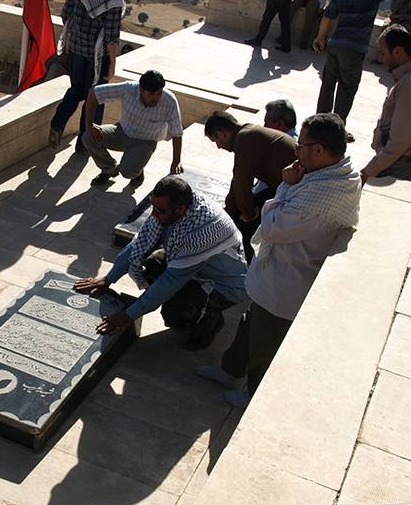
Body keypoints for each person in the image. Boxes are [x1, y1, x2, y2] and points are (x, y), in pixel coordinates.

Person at [196, 113, 361, 407]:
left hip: (287, 280)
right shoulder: (333, 175)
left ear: (319, 150)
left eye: (301, 146)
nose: (296, 152)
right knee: (249, 324)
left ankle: (252, 394)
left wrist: (285, 186)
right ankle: (230, 371)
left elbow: (270, 227)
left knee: (263, 340)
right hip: (275, 273)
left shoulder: (320, 197)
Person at [74, 175, 247, 351]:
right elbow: (139, 244)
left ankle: (208, 325)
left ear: (180, 210)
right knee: (151, 264)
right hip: (194, 267)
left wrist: (130, 314)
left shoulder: (203, 231)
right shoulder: (171, 207)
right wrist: (108, 279)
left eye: (159, 210)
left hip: (224, 285)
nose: (154, 214)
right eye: (153, 206)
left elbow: (171, 280)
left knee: (176, 311)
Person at [49, 0, 128, 151]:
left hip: (76, 48)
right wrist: (112, 62)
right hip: (98, 55)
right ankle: (85, 143)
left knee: (76, 90)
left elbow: (66, 13)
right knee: (97, 96)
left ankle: (57, 125)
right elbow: (111, 34)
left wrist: (69, 40)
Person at [314, 0, 404, 123]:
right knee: (346, 89)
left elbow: (328, 17)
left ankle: (319, 123)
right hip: (354, 48)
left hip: (335, 44)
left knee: (328, 84)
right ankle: (336, 126)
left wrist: (320, 37)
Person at [204, 110, 297, 261]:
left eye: (215, 141)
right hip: (283, 188)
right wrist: (228, 213)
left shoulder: (246, 138)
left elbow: (242, 182)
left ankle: (248, 269)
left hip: (296, 192)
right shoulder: (246, 134)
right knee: (235, 214)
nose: (219, 147)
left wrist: (248, 214)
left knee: (248, 227)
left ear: (221, 134)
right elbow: (237, 181)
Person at [361, 25, 411, 184]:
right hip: (400, 163)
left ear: (398, 51)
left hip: (398, 166)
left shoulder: (410, 86)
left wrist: (367, 172)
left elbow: (399, 142)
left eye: (382, 53)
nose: (380, 59)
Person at [83, 69, 184, 188]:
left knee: (127, 171)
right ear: (141, 89)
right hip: (121, 132)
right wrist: (89, 125)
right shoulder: (128, 89)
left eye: (159, 93)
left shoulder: (169, 101)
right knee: (88, 137)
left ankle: (137, 172)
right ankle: (109, 169)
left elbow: (177, 132)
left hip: (145, 142)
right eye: (151, 94)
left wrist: (176, 160)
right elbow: (93, 93)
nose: (156, 98)